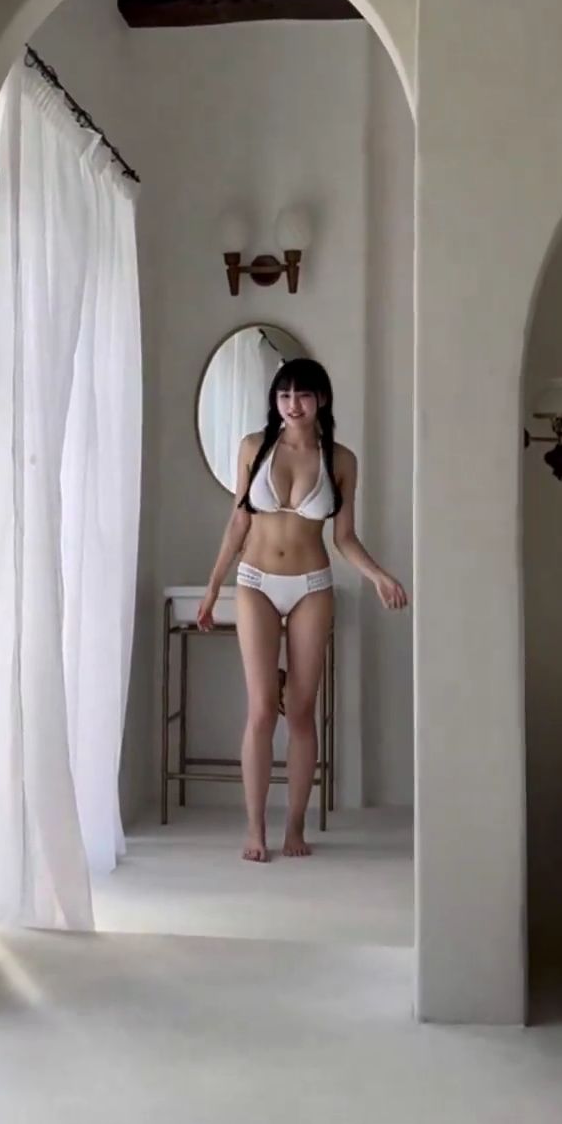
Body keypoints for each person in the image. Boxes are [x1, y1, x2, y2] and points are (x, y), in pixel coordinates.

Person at [198, 359, 407, 863]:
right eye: (284, 395)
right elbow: (238, 524)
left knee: (302, 711)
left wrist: (379, 575)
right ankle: (255, 829)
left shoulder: (341, 459)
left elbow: (344, 537)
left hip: (312, 585)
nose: (293, 404)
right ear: (275, 400)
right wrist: (212, 589)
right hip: (255, 582)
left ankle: (294, 825)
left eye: (304, 395)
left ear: (322, 400)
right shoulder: (254, 447)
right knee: (261, 708)